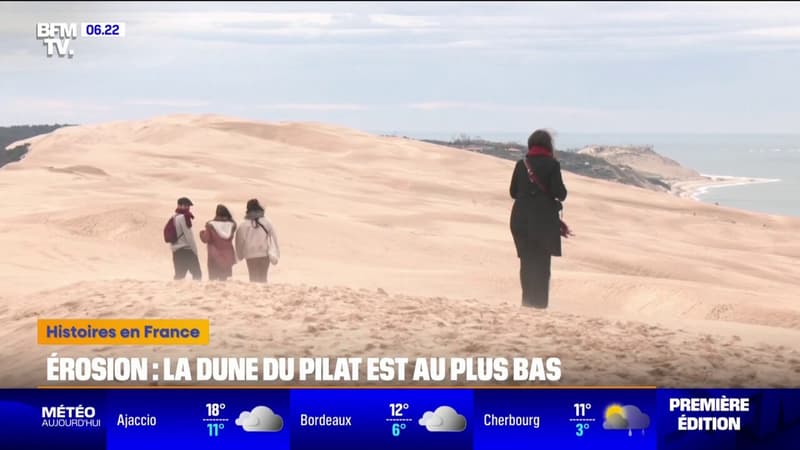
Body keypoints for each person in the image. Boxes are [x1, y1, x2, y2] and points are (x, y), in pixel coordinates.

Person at [509, 130, 567, 308]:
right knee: (542, 265)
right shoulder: (552, 165)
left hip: (521, 220)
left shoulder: (522, 164)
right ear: (548, 145)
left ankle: (527, 303)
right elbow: (560, 193)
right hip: (543, 222)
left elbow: (513, 192)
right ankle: (540, 306)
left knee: (526, 263)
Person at [235, 199, 280, 283]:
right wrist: (276, 253)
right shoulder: (267, 222)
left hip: (250, 255)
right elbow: (274, 238)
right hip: (264, 254)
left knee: (253, 279)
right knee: (263, 278)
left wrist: (239, 255)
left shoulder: (243, 225)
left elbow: (239, 241)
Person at [199, 205, 238, 281]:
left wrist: (201, 233)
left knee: (213, 279)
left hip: (214, 257)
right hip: (228, 256)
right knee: (224, 279)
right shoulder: (231, 225)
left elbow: (206, 239)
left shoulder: (211, 225)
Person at [170, 197, 202, 281]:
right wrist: (195, 251)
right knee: (197, 274)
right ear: (181, 206)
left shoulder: (173, 217)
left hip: (177, 252)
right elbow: (189, 236)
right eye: (187, 206)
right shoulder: (184, 217)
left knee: (179, 276)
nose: (188, 208)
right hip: (187, 251)